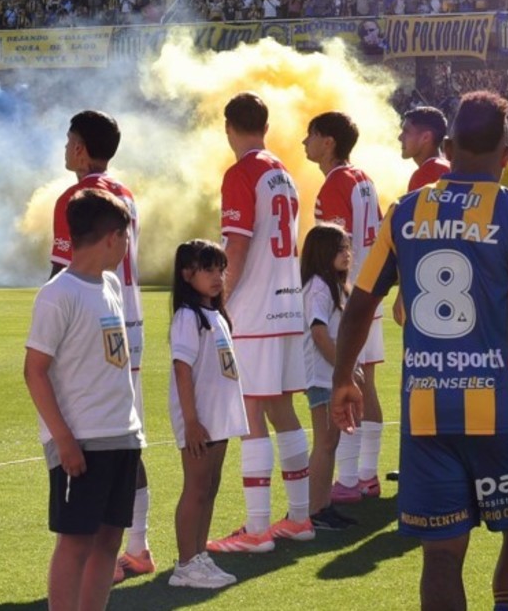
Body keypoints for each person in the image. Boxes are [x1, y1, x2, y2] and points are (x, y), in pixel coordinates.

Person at [331, 91, 508, 610]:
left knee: (442, 554)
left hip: (428, 413)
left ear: (448, 148)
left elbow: (361, 302)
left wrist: (344, 378)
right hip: (506, 412)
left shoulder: (404, 211)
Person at [23, 189, 145, 611]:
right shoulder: (58, 294)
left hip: (122, 435)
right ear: (112, 238)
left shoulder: (110, 284)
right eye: (126, 237)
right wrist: (63, 440)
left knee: (109, 540)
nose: (127, 245)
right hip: (83, 442)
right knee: (75, 543)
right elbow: (34, 371)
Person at [49, 110, 153, 583]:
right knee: (126, 437)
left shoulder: (77, 200)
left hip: (92, 327)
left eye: (68, 140)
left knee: (90, 436)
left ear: (80, 149)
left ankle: (95, 554)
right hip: (129, 323)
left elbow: (63, 274)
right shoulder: (126, 193)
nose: (65, 148)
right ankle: (137, 545)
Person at [210, 92, 314, 553]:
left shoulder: (242, 172)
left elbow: (236, 245)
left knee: (251, 410)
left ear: (228, 127)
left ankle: (256, 529)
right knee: (281, 408)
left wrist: (219, 298)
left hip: (254, 310)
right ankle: (299, 517)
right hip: (288, 306)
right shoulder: (283, 172)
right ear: (266, 127)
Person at [304, 111, 386, 505]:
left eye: (310, 135)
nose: (304, 142)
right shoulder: (364, 178)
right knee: (366, 382)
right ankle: (367, 475)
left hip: (348, 302)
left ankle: (350, 479)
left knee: (348, 381)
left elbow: (337, 245)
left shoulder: (336, 183)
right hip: (371, 293)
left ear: (328, 142)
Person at [167, 239, 247, 588]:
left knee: (210, 487)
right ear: (187, 274)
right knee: (196, 487)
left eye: (221, 270)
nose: (218, 277)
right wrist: (191, 421)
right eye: (208, 270)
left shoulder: (216, 314)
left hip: (218, 417)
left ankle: (200, 555)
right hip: (199, 419)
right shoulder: (188, 317)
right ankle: (185, 564)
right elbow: (182, 369)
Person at [299, 223, 362, 530]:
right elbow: (319, 333)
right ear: (322, 252)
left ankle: (322, 505)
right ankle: (314, 510)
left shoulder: (333, 285)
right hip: (323, 376)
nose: (347, 254)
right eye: (339, 249)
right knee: (325, 442)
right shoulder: (318, 287)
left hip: (330, 375)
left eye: (347, 248)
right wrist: (344, 370)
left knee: (330, 441)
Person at [394, 106, 451, 327]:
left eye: (406, 131)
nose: (400, 137)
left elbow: (418, 235)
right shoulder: (446, 167)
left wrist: (403, 290)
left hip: (432, 280)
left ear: (426, 137)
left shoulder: (426, 174)